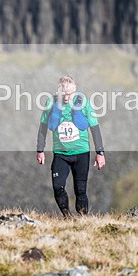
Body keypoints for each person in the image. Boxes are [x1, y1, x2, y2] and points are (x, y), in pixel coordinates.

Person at [36, 76, 105, 216]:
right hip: (61, 154)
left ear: (75, 90)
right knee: (57, 187)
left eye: (69, 93)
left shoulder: (83, 102)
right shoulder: (51, 102)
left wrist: (100, 153)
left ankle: (82, 220)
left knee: (80, 190)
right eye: (63, 92)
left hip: (81, 153)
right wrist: (40, 150)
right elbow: (43, 127)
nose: (66, 96)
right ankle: (67, 216)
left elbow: (95, 128)